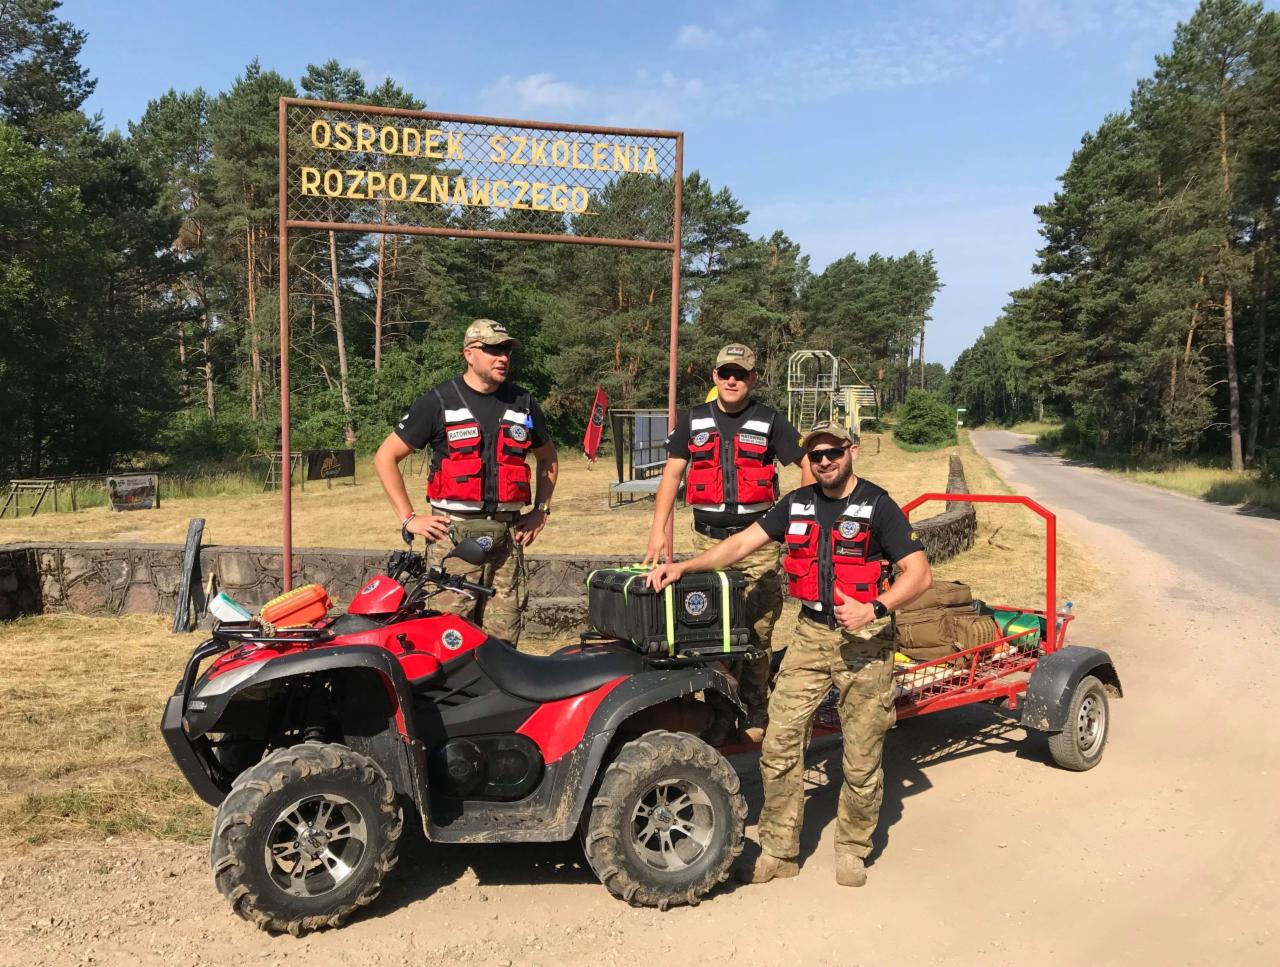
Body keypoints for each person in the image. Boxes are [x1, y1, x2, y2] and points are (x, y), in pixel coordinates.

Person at [645, 421, 932, 887]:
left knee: (861, 756)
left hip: (865, 642)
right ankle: (780, 850)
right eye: (815, 455)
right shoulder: (796, 504)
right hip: (809, 637)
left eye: (833, 453)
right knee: (778, 745)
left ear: (851, 451)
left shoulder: (878, 506)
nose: (824, 462)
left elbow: (919, 574)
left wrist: (875, 608)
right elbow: (740, 544)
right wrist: (683, 566)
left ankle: (852, 848)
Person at [642, 343, 810, 740]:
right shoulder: (694, 420)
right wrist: (656, 530)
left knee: (758, 631)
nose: (731, 380)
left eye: (740, 374)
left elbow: (806, 466)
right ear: (714, 377)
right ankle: (717, 711)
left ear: (754, 378)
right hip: (706, 542)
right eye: (724, 373)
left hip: (759, 543)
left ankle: (754, 710)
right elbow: (671, 476)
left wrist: (798, 523)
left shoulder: (770, 421)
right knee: (706, 630)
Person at [374, 319, 558, 645]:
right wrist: (409, 518)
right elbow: (385, 457)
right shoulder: (439, 401)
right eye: (492, 350)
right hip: (454, 540)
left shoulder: (523, 403)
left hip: (507, 540)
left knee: (503, 644)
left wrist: (541, 509)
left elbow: (548, 459)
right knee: (447, 639)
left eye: (506, 351)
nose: (502, 357)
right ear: (469, 354)